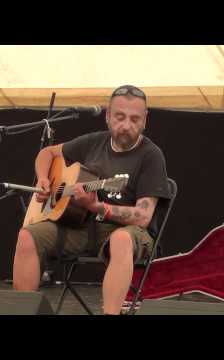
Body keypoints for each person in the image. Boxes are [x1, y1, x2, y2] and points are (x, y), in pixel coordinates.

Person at [12, 85, 171, 314]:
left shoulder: (151, 155)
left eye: (135, 119)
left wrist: (97, 206)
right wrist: (44, 179)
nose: (126, 125)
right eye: (119, 117)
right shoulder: (94, 142)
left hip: (129, 233)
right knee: (27, 236)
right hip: (83, 227)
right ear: (107, 116)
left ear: (145, 120)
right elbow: (47, 153)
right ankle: (23, 311)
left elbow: (143, 217)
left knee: (121, 240)